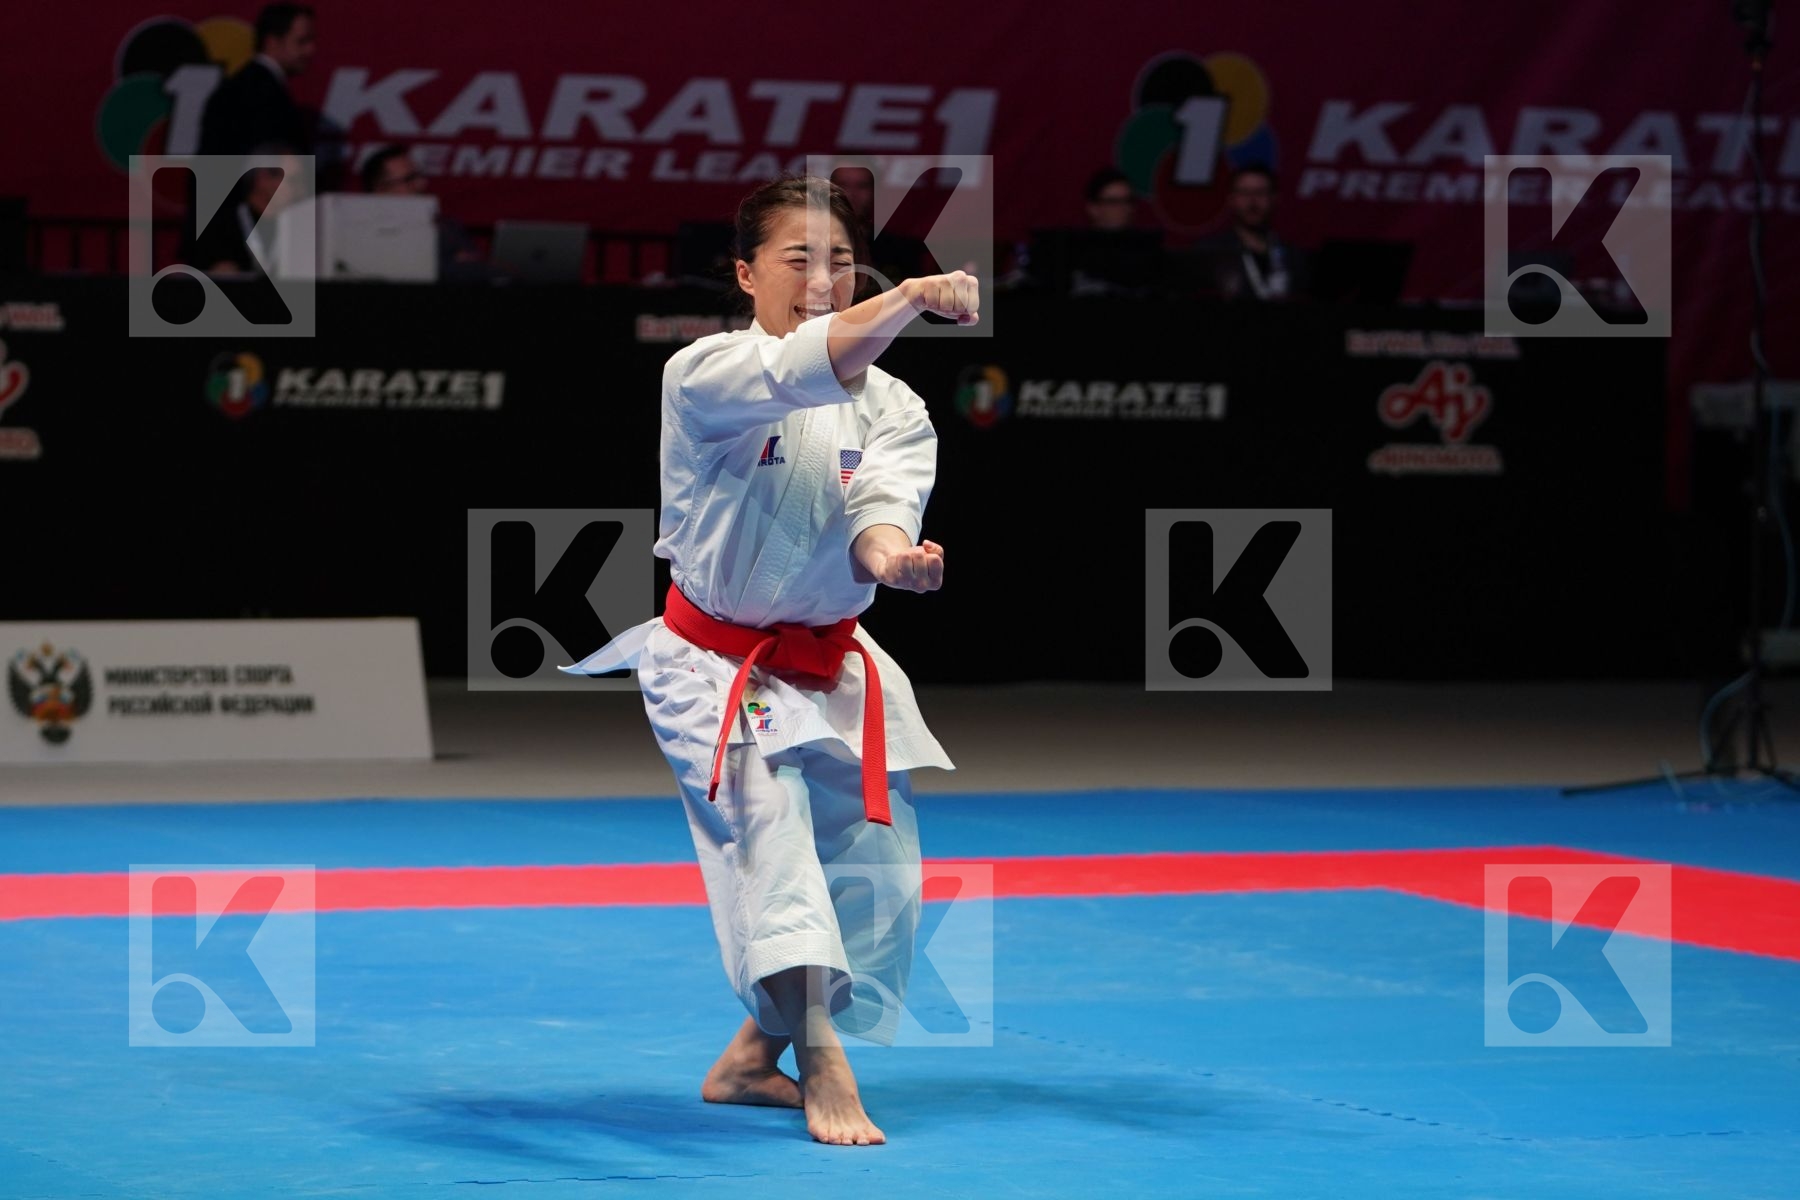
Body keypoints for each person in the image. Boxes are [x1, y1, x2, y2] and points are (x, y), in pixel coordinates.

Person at [561, 176, 975, 1146]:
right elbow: (803, 368)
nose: (825, 279)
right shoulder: (704, 373)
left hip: (834, 661)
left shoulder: (899, 405)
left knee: (878, 877)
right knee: (775, 852)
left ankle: (750, 1060)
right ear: (747, 275)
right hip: (714, 666)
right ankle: (824, 1061)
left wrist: (895, 563)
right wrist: (912, 296)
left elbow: (880, 513)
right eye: (800, 259)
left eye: (843, 262)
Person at [197, 4, 317, 157]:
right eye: (302, 41)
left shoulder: (238, 87)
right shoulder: (264, 96)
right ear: (272, 42)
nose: (311, 50)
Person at [360, 144, 487, 280]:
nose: (421, 184)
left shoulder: (447, 227)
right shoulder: (359, 234)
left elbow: (477, 269)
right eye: (410, 179)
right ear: (381, 189)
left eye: (419, 176)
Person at [1186, 163, 1311, 301]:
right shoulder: (1210, 252)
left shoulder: (1293, 256)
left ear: (1274, 198)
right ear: (1231, 199)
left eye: (1260, 192)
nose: (1252, 202)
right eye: (1244, 193)